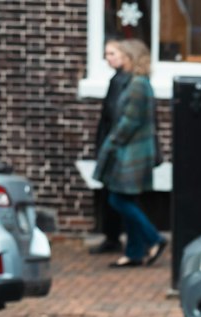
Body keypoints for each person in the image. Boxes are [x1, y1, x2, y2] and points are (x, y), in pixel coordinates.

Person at [92, 39, 166, 269]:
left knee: (118, 199)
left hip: (131, 154)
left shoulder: (138, 85)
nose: (118, 58)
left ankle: (154, 238)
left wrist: (112, 143)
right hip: (132, 151)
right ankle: (134, 252)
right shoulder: (136, 83)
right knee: (127, 199)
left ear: (131, 58)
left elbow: (129, 122)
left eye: (122, 54)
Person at [89, 40, 130, 255]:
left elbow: (113, 116)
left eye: (112, 53)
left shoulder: (122, 81)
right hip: (111, 143)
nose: (108, 58)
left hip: (113, 146)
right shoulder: (119, 80)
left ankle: (114, 237)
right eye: (106, 54)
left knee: (114, 194)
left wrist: (108, 144)